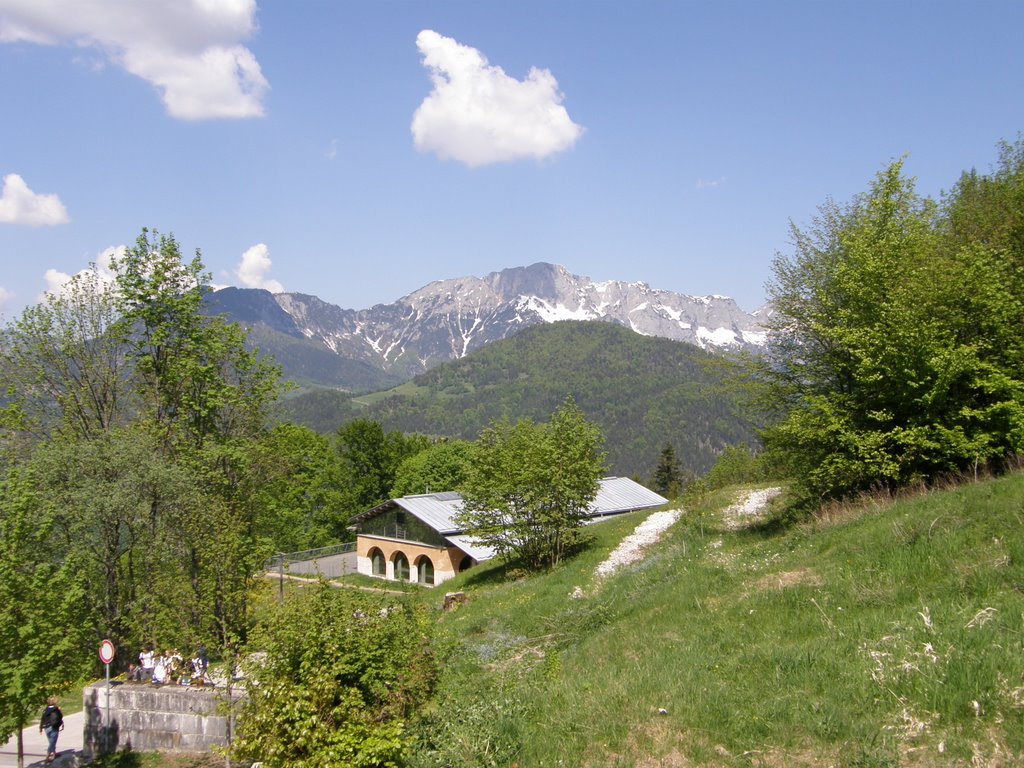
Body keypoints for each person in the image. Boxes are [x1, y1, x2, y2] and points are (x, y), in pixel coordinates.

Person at [39, 696, 63, 763]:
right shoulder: (56, 709)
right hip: (54, 727)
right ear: (55, 702)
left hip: (46, 728)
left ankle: (54, 754)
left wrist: (40, 728)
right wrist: (60, 711)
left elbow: (42, 719)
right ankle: (47, 757)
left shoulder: (45, 710)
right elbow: (60, 717)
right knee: (52, 742)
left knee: (51, 741)